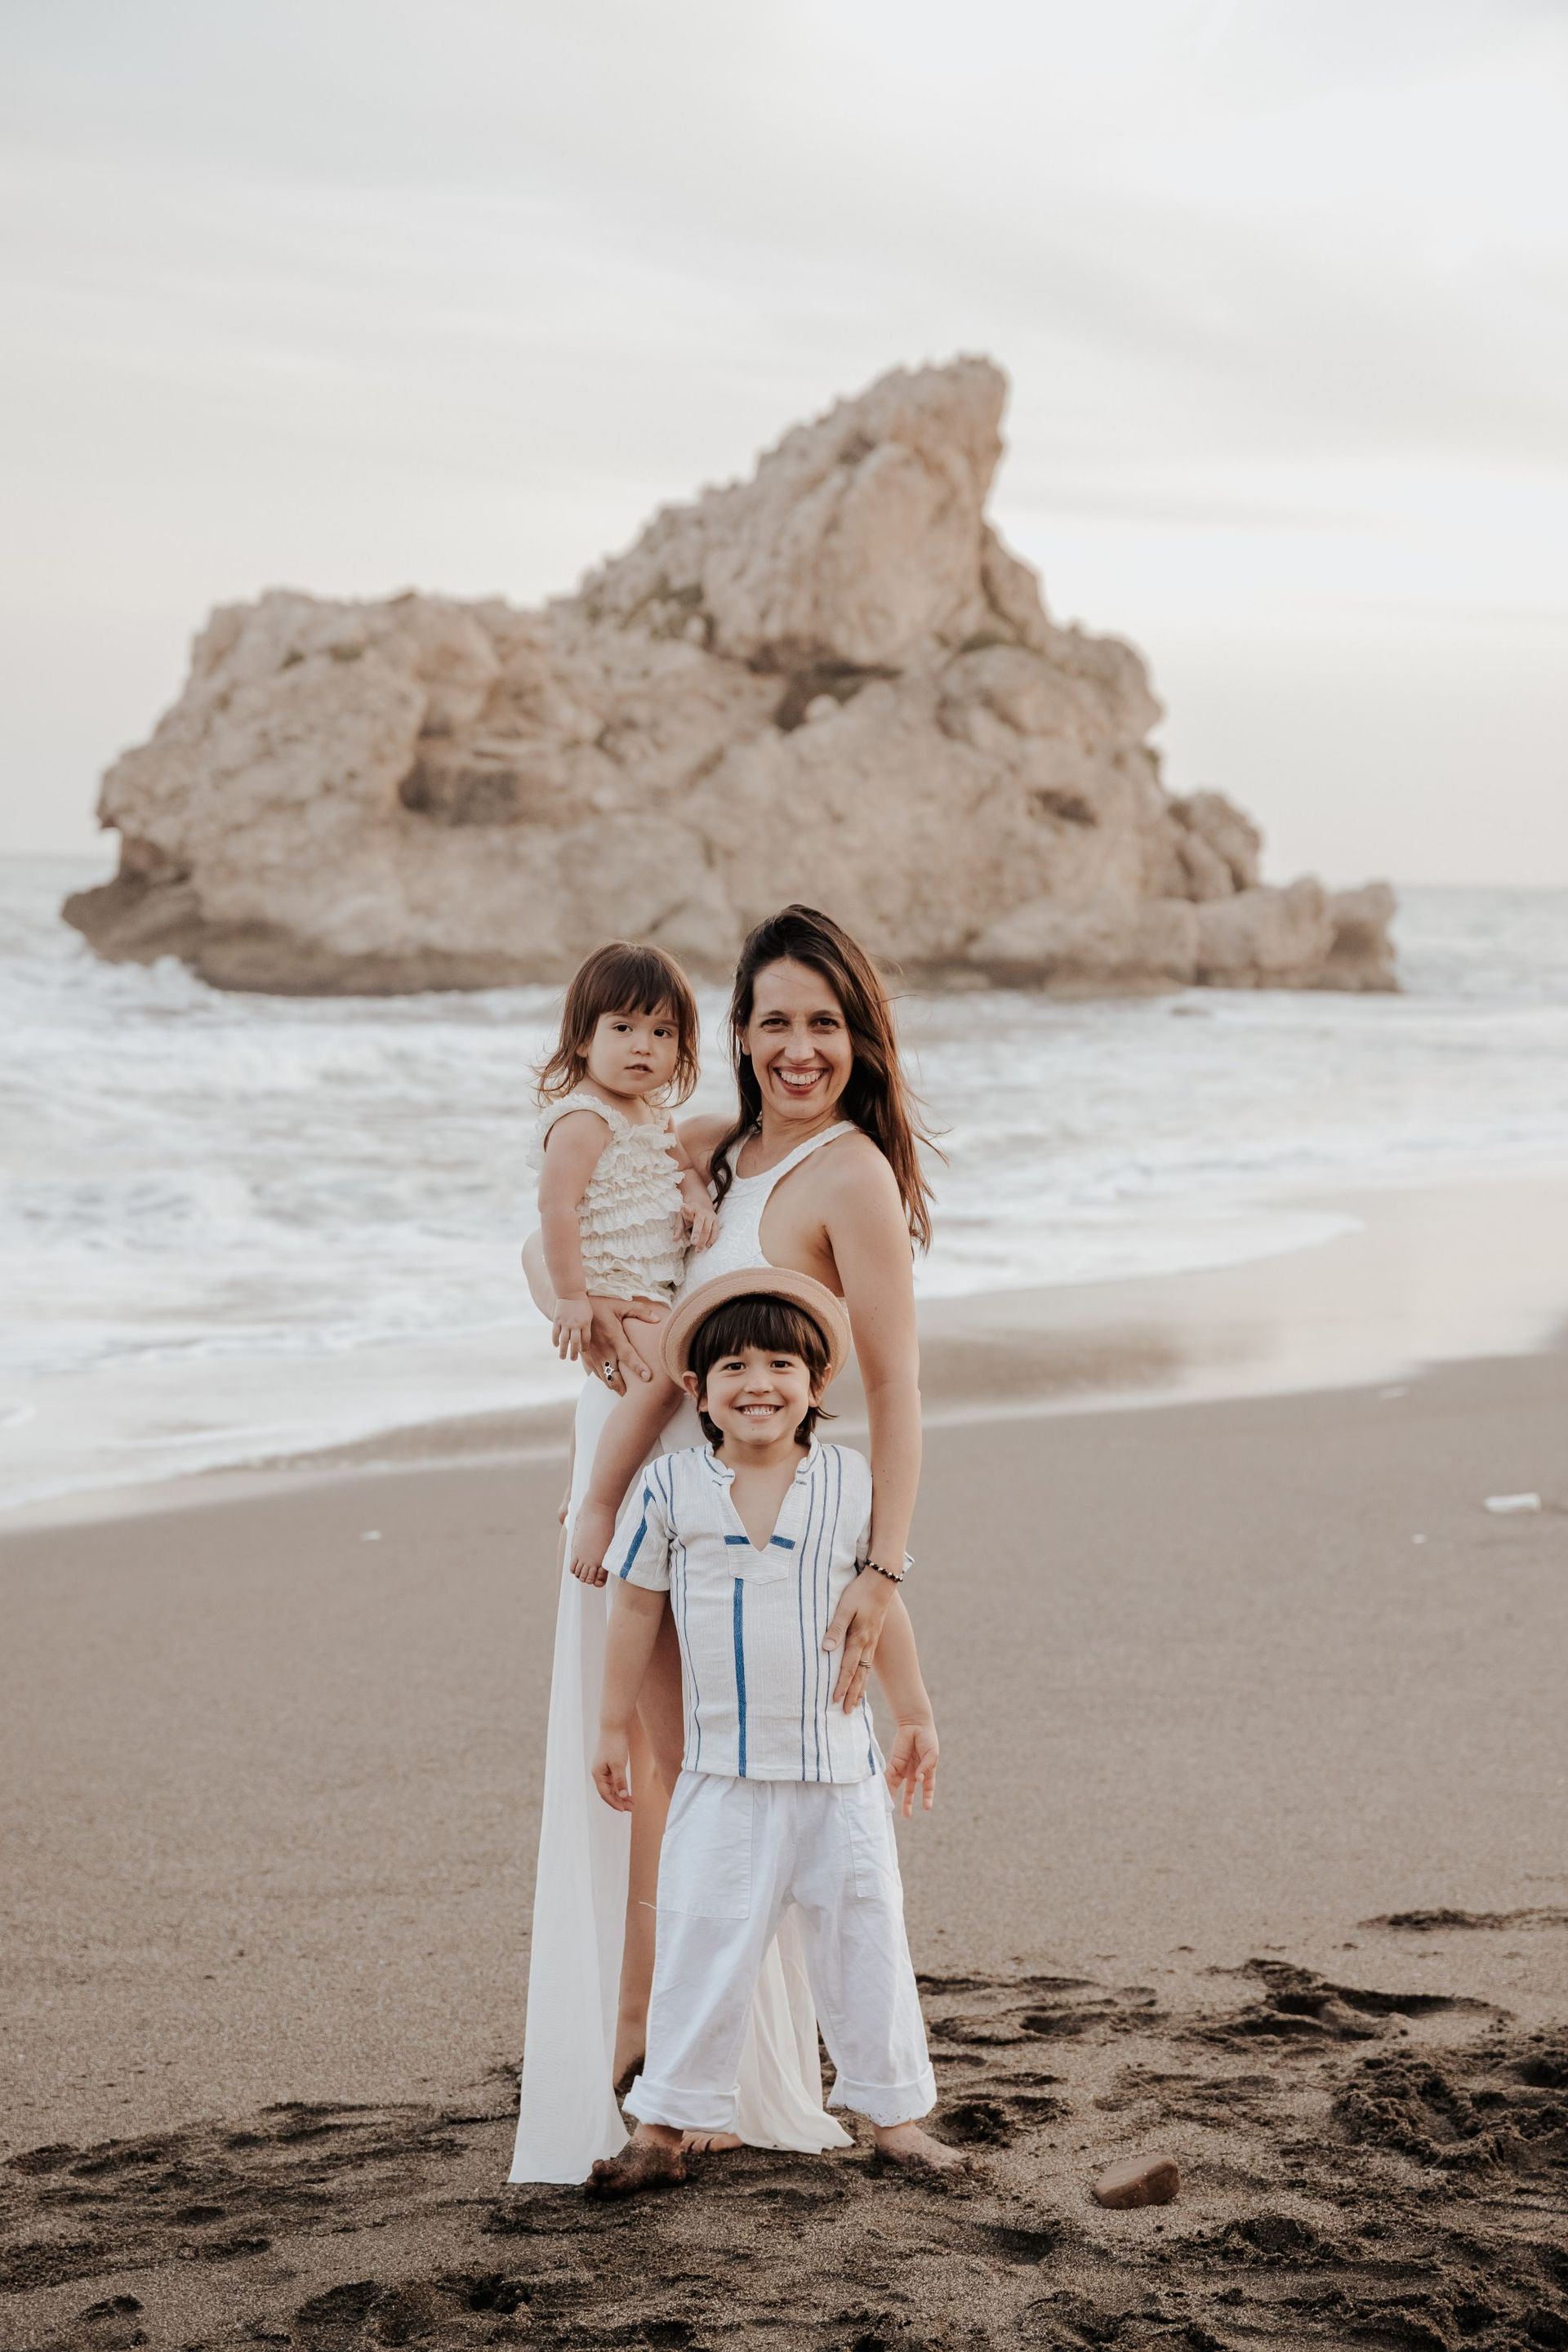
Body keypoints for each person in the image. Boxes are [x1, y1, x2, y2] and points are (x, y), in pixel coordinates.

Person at [510, 905, 935, 2185]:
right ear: (736, 1035)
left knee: (702, 1787)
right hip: (630, 1487)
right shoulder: (713, 1145)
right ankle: (656, 2061)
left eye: (824, 1022)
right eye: (774, 1022)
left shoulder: (848, 1174)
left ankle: (668, 2062)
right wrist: (589, 1317)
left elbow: (898, 1388)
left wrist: (884, 1566)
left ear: (856, 1036)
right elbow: (548, 1239)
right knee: (652, 1781)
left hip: (729, 1521)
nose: (799, 1048)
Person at [586, 1271, 952, 2195]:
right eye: (734, 1367)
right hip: (722, 1775)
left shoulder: (849, 1480)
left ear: (817, 1383)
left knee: (865, 1937)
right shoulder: (671, 1488)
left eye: (782, 1363)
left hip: (840, 1772)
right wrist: (608, 1725)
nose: (759, 1382)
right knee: (703, 1941)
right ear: (700, 1394)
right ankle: (662, 2126)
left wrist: (914, 1713)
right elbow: (633, 1614)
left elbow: (886, 1611)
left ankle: (897, 2120)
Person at [532, 941, 718, 1481]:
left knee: (614, 1385)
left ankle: (581, 1481)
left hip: (651, 1287)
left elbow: (680, 1165)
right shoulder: (583, 1120)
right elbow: (556, 1206)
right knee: (660, 1378)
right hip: (612, 1283)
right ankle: (598, 1496)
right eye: (624, 1028)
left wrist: (696, 1196)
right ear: (584, 1038)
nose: (644, 1046)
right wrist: (571, 1297)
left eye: (662, 1033)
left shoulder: (654, 1114)